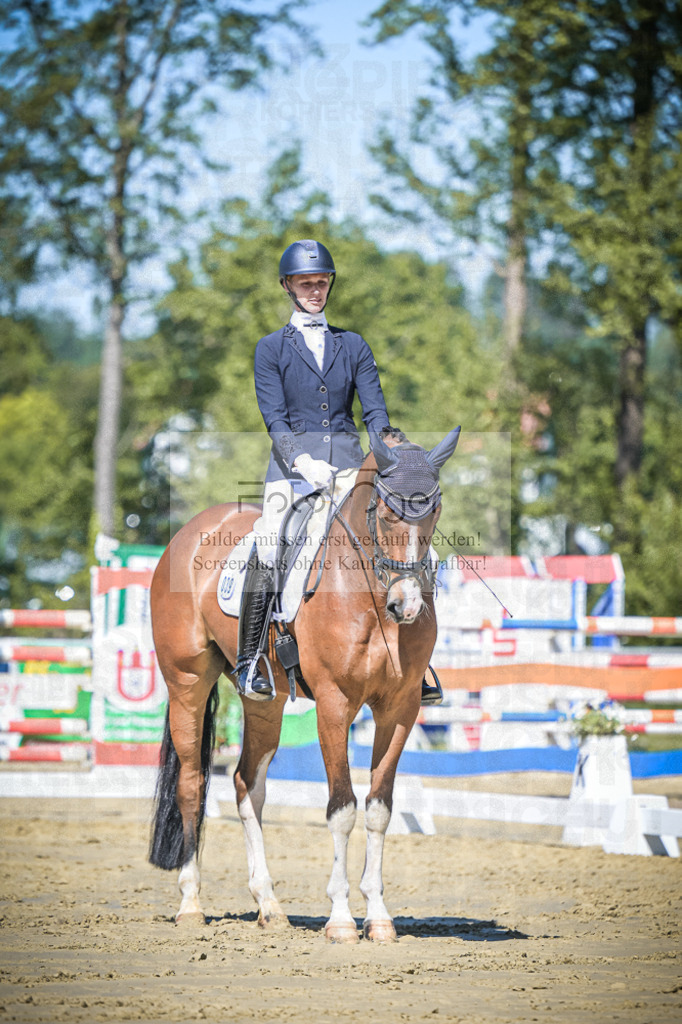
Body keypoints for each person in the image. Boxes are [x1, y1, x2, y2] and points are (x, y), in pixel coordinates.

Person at [235, 239, 441, 706]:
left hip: (350, 466)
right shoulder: (270, 349)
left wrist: (390, 448)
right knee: (268, 542)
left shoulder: (353, 344)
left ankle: (419, 662)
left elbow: (375, 412)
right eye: (305, 283)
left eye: (321, 282)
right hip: (291, 472)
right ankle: (252, 661)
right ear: (288, 286)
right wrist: (302, 461)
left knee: (402, 537)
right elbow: (274, 418)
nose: (314, 290)